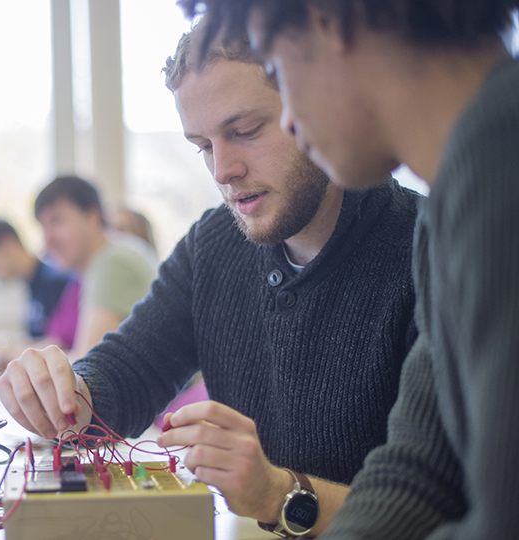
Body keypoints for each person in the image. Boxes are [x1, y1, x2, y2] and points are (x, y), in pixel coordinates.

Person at [0, 18, 422, 537]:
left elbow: (441, 509)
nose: (223, 170)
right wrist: (69, 394)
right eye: (202, 145)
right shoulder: (214, 242)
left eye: (244, 132)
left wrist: (274, 492)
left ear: (313, 104)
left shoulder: (426, 250)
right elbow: (132, 367)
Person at [182, 0, 519, 538]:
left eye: (279, 66)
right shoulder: (457, 198)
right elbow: (415, 477)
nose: (290, 116)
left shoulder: (502, 174)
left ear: (329, 22)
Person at [33, 175, 157, 357]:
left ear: (92, 217)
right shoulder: (97, 264)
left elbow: (87, 364)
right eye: (43, 227)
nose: (47, 241)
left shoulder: (113, 261)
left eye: (56, 221)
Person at [0, 218, 79, 349]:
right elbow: (36, 339)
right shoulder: (31, 282)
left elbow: (59, 344)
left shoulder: (55, 281)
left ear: (7, 244)